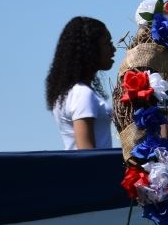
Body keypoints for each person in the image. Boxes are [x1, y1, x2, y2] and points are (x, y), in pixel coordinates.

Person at [46, 17, 116, 150]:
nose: (113, 49)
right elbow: (86, 152)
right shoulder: (82, 94)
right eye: (107, 43)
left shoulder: (72, 92)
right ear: (91, 49)